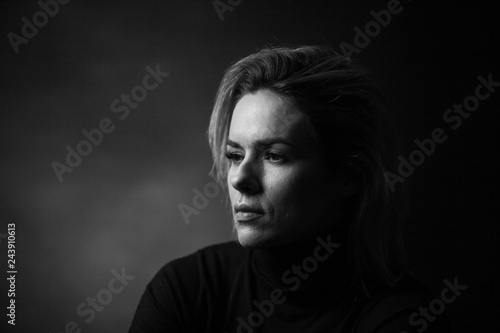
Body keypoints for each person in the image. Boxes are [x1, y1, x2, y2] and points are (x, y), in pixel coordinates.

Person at [128, 45, 449, 332]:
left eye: (274, 155)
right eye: (234, 155)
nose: (240, 178)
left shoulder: (401, 319)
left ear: (348, 175)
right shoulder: (187, 290)